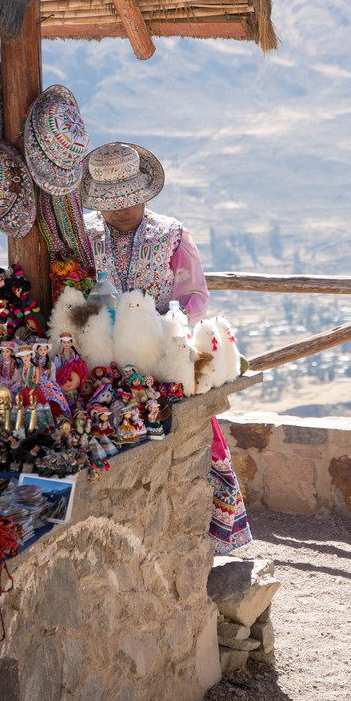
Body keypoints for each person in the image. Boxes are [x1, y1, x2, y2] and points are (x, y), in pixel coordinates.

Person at [81, 140, 251, 554]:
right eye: (110, 203)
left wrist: (164, 327)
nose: (120, 210)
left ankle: (210, 534)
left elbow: (195, 296)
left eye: (128, 200)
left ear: (144, 193)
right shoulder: (85, 236)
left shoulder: (171, 235)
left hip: (160, 357)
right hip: (102, 360)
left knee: (191, 437)